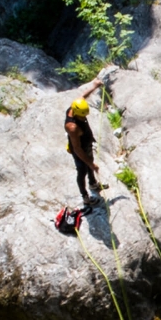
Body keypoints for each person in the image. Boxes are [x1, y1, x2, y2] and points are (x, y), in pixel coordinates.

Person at [64, 67, 115, 213]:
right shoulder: (72, 127)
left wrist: (95, 85)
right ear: (76, 114)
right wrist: (91, 164)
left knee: (89, 166)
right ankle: (85, 197)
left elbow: (82, 96)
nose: (84, 118)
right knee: (82, 171)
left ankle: (93, 184)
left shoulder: (76, 106)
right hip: (78, 149)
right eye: (82, 116)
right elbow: (78, 149)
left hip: (86, 143)